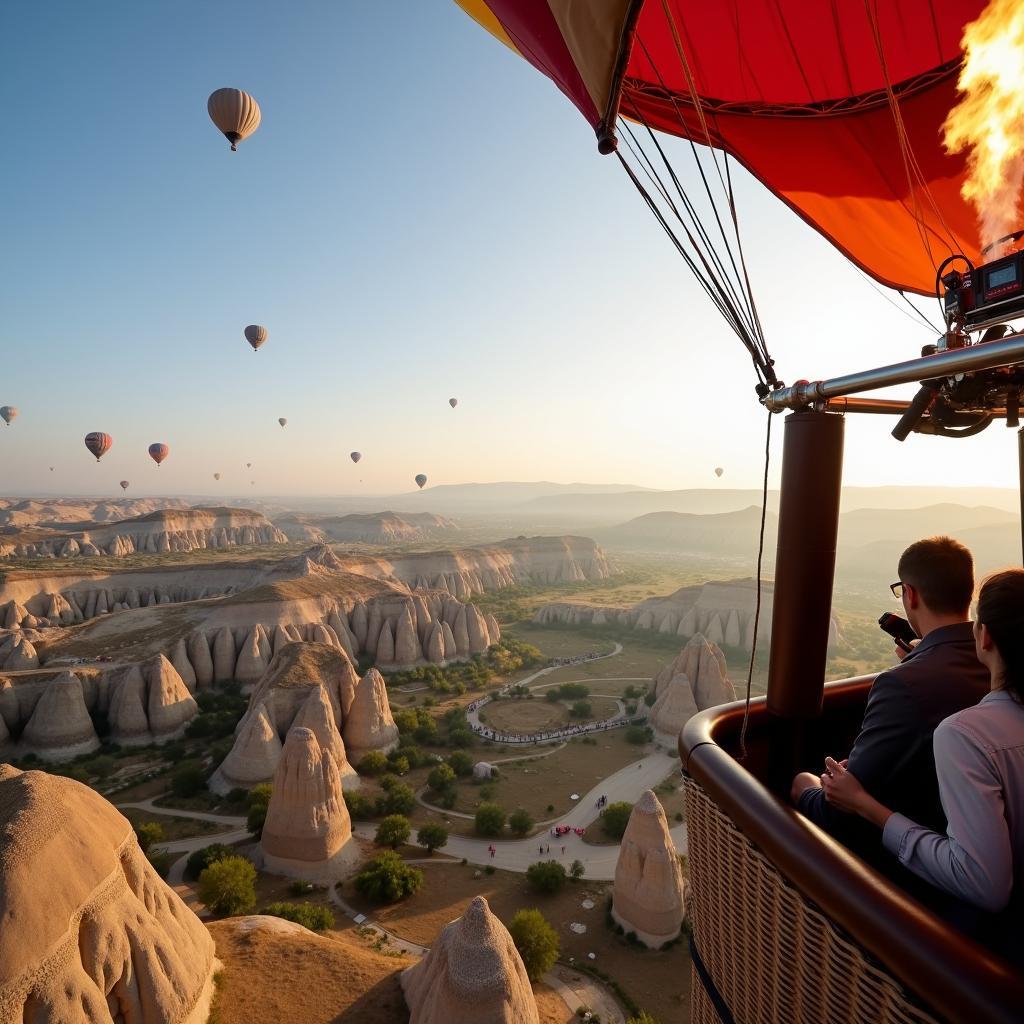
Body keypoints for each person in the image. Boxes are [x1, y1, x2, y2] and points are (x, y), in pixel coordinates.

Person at [821, 569, 1024, 959]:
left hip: (990, 954)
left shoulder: (966, 735)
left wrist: (867, 806)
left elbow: (985, 885)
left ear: (985, 637)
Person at [791, 537, 989, 864]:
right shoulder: (996, 659)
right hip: (970, 838)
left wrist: (809, 787)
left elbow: (837, 810)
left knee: (802, 782)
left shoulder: (901, 686)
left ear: (909, 594)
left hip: (911, 861)